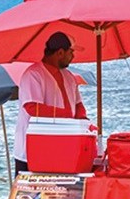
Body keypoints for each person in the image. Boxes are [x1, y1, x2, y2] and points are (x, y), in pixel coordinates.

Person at [13, 31, 87, 174]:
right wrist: (68, 118)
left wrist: (82, 123)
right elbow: (32, 107)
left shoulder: (69, 76)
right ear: (60, 53)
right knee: (32, 188)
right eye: (71, 52)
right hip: (32, 150)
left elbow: (78, 105)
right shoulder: (33, 74)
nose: (73, 56)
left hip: (62, 146)